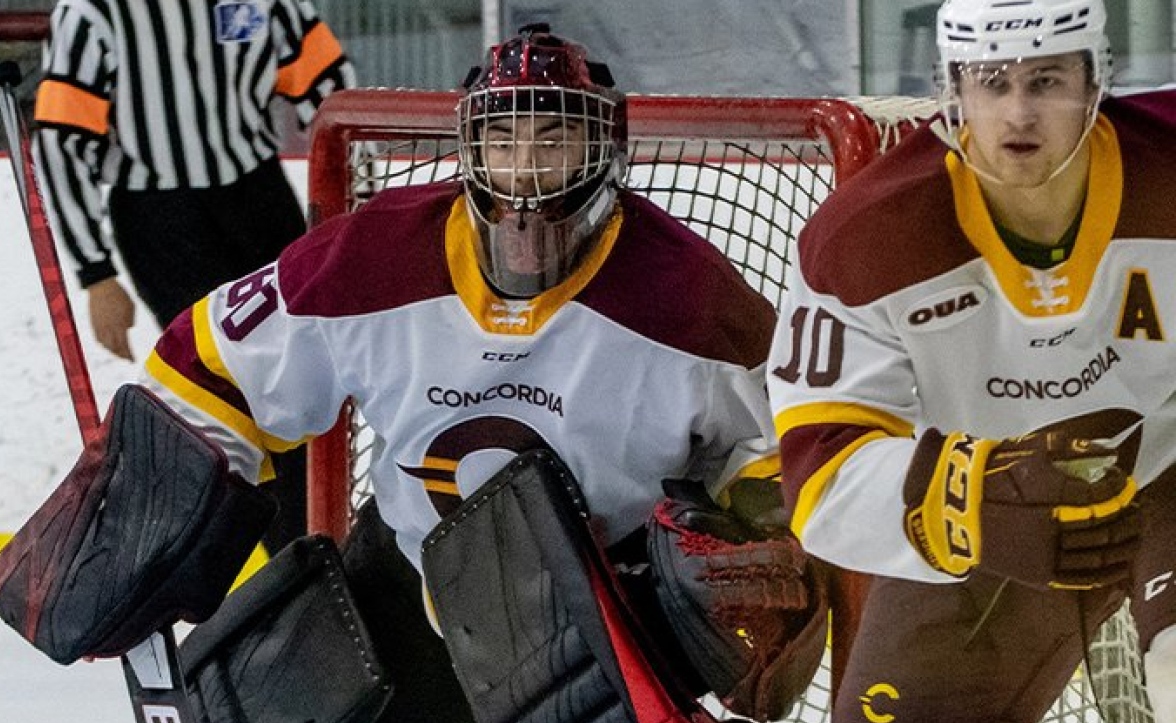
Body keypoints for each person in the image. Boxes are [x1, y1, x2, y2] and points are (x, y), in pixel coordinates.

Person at [117, 23, 823, 723]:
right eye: (503, 140)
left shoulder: (693, 301)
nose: (524, 167)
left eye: (554, 139)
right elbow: (207, 363)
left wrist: (747, 547)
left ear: (604, 150)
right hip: (403, 590)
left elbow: (787, 444)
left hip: (602, 621)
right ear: (471, 147)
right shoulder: (372, 256)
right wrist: (148, 525)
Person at [764, 0, 1176, 721]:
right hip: (989, 511)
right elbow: (822, 478)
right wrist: (975, 508)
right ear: (952, 89)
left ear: (1094, 82)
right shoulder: (862, 240)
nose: (1018, 113)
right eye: (992, 82)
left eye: (1046, 81)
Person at [32, 0, 356, 553]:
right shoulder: (93, 11)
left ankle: (311, 558)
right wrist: (96, 272)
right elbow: (61, 142)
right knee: (228, 389)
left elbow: (333, 95)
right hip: (160, 215)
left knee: (307, 379)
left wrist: (356, 220)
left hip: (258, 197)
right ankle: (276, 563)